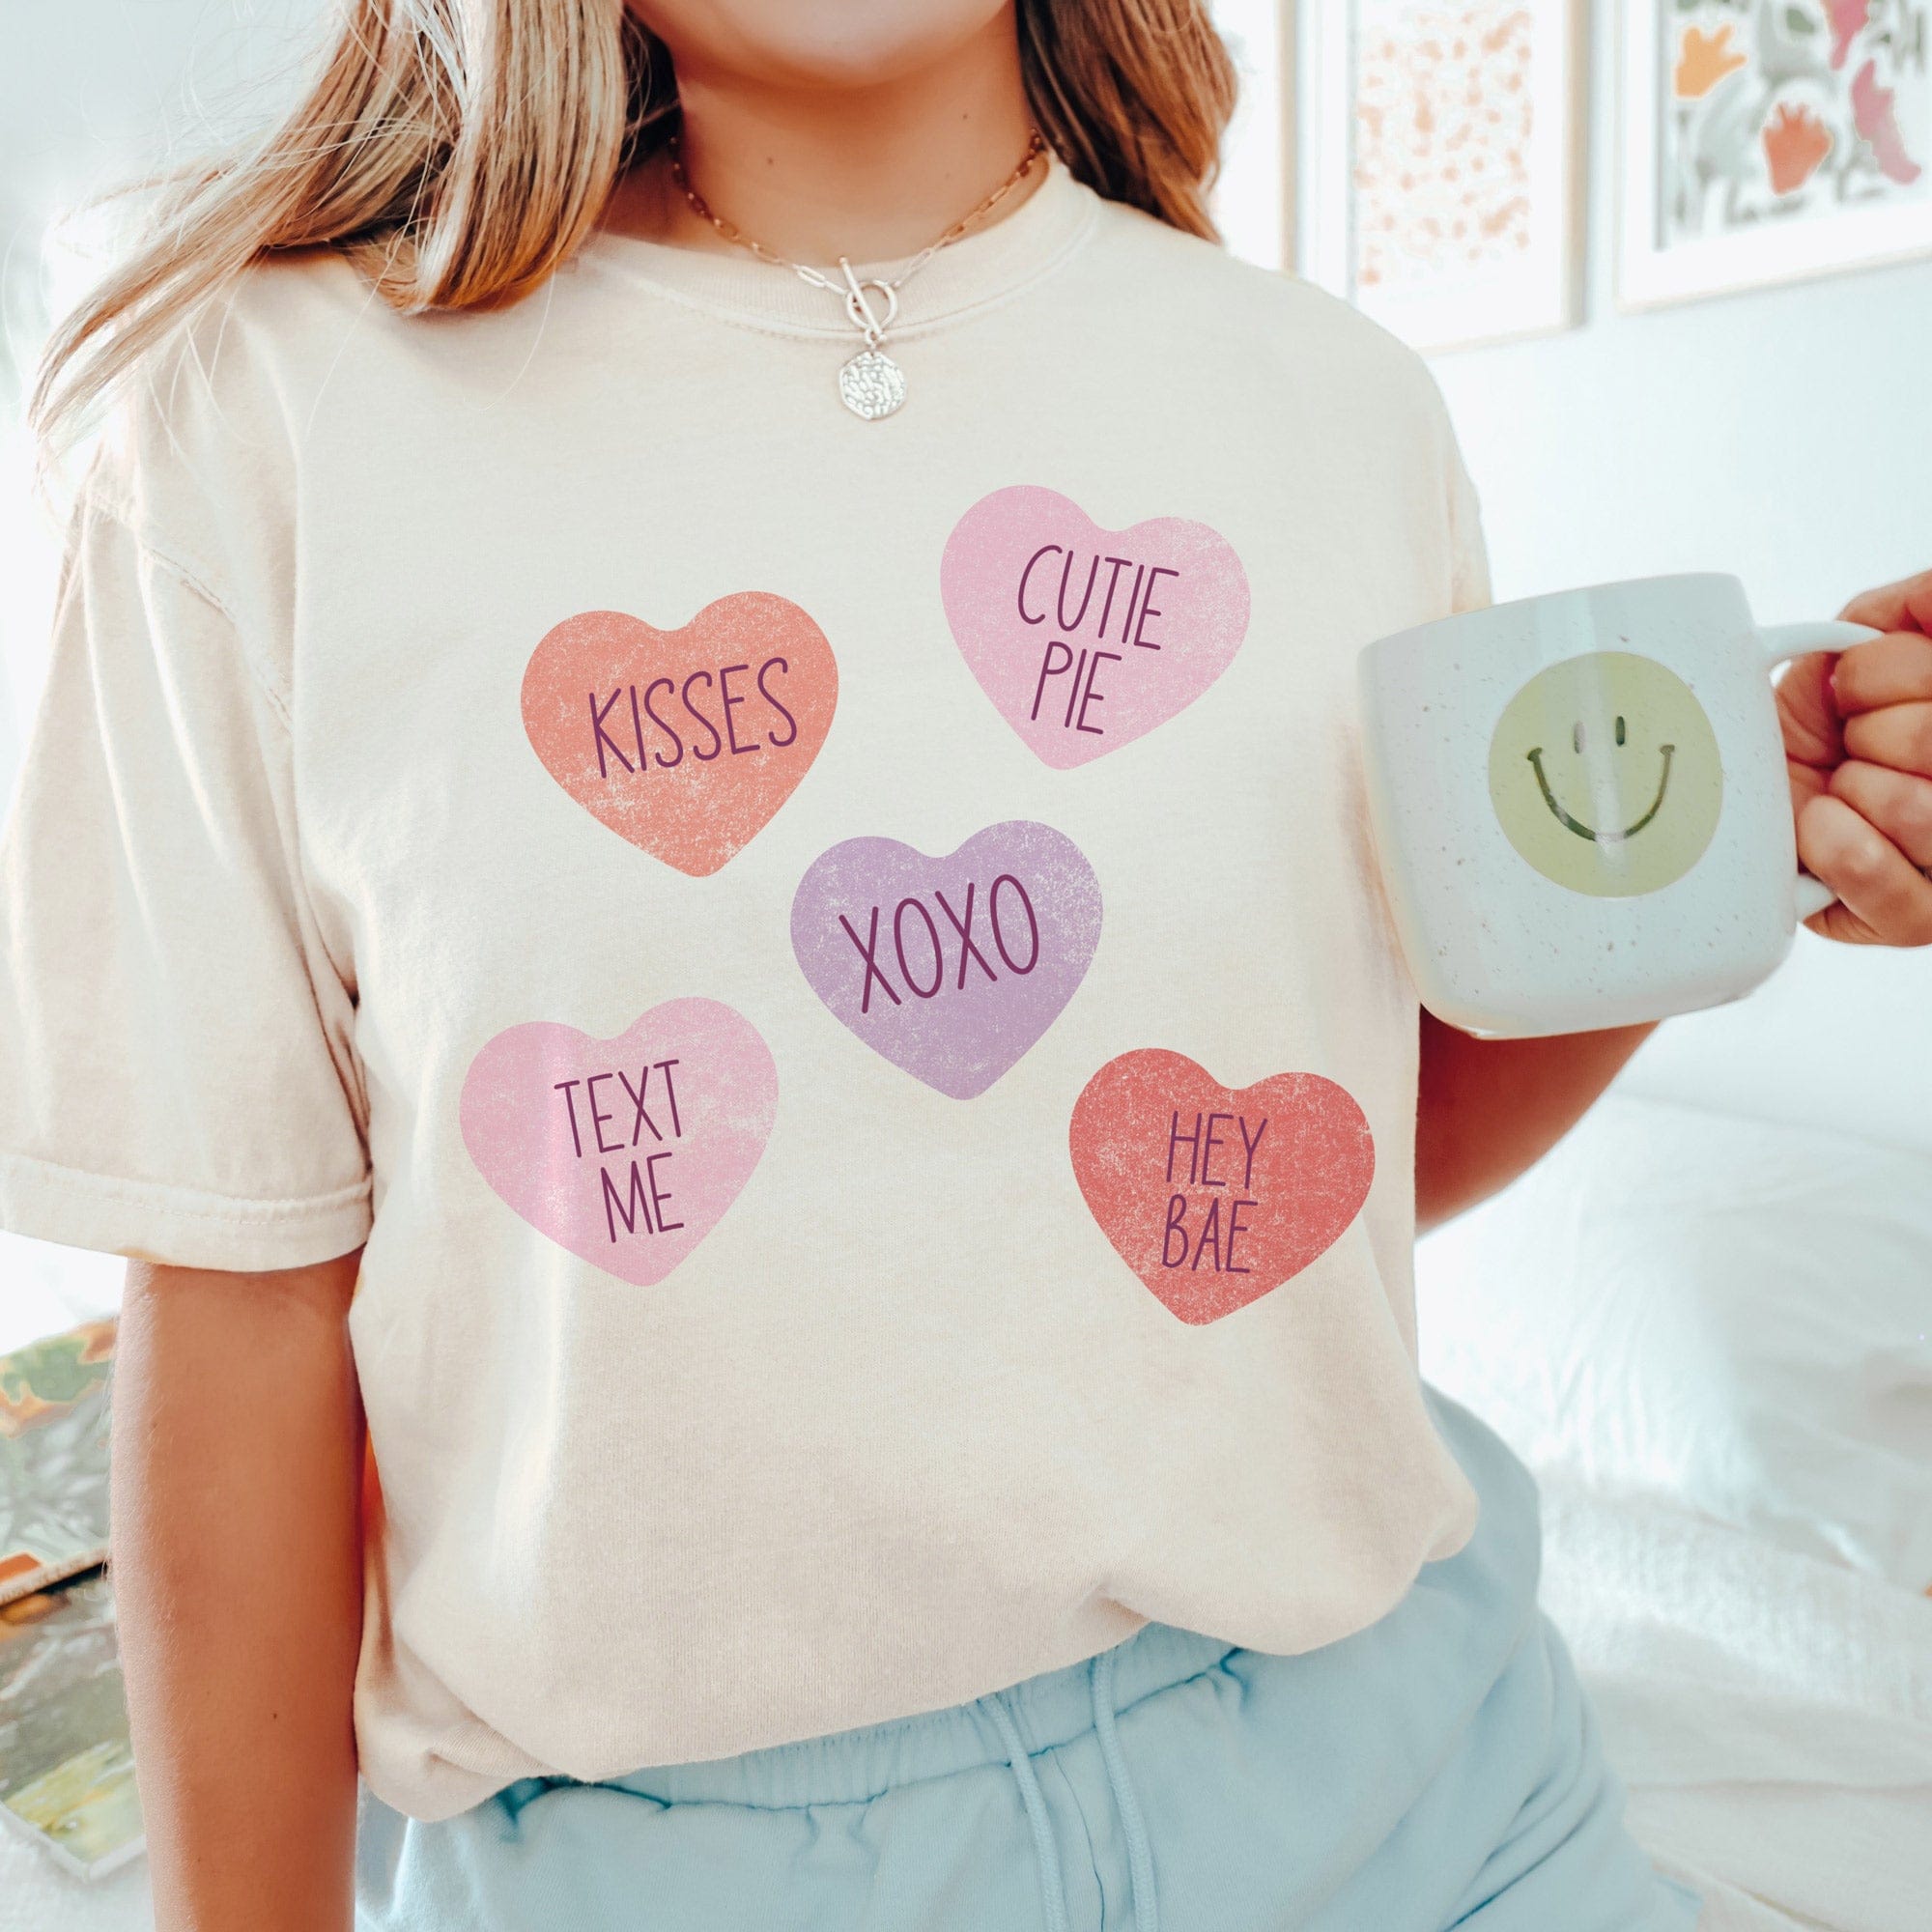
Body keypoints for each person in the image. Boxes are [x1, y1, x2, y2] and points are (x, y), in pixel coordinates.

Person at [4, 3, 1928, 1927]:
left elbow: (1301, 1168)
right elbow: (242, 1301)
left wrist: (1730, 841)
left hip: (1425, 1784)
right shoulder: (247, 423)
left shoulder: (1332, 401)